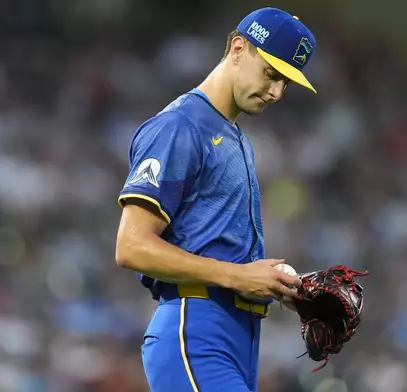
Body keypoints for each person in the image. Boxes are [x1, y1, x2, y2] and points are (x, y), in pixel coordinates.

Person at [114, 7, 318, 392]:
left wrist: (281, 286)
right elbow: (131, 246)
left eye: (286, 83)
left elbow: (220, 250)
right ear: (239, 48)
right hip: (195, 329)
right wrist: (240, 276)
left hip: (237, 338)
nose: (277, 92)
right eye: (272, 74)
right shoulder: (180, 126)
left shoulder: (237, 137)